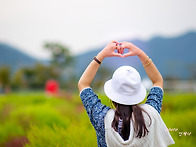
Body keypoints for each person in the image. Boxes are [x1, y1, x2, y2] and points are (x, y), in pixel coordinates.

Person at [78, 41, 175, 147]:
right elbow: (157, 81)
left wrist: (101, 55)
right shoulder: (150, 114)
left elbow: (83, 84)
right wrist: (140, 54)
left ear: (112, 96)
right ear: (138, 93)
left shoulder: (101, 118)